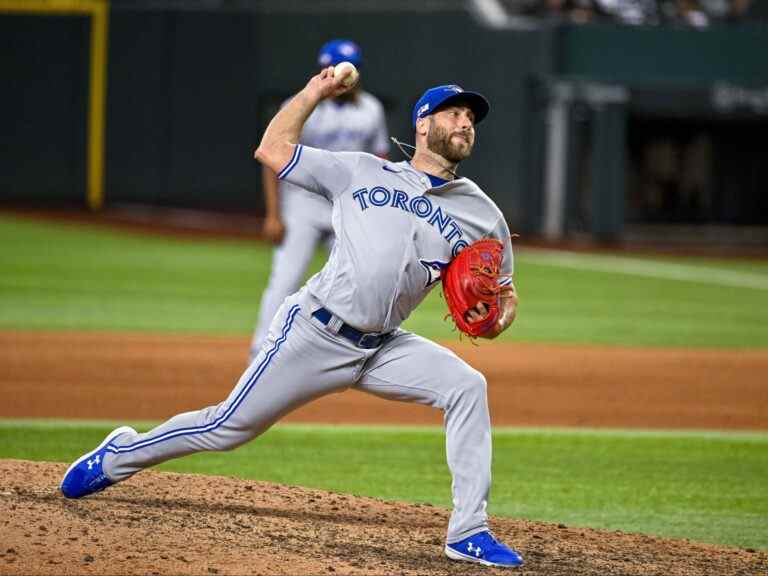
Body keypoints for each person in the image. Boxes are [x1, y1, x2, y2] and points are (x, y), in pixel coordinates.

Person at [60, 67, 523, 568]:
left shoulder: (481, 213)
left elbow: (505, 292)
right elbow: (273, 149)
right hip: (314, 331)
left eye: (471, 117)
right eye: (454, 113)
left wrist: (498, 319)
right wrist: (316, 91)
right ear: (422, 124)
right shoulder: (362, 170)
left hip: (384, 347)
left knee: (467, 386)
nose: (466, 122)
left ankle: (468, 531)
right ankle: (119, 455)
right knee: (227, 427)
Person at [251, 38, 390, 361]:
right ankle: (261, 351)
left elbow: (379, 163)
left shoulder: (371, 109)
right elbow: (272, 162)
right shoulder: (299, 105)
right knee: (285, 278)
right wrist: (273, 214)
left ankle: (344, 352)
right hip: (301, 203)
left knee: (359, 279)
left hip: (346, 205)